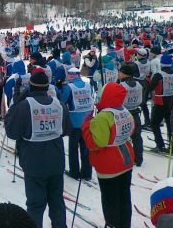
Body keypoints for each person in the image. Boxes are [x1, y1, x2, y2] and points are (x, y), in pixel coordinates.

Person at [5, 71, 71, 228]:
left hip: (34, 164)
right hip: (56, 161)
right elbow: (67, 129)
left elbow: (12, 132)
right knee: (57, 203)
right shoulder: (59, 104)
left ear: (30, 87)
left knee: (35, 205)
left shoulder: (24, 106)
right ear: (47, 87)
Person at [82, 82, 135, 228]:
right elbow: (132, 129)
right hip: (126, 159)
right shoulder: (124, 111)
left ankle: (112, 224)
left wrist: (86, 125)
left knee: (110, 199)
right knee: (124, 196)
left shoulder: (103, 117)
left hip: (109, 165)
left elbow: (94, 143)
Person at [61, 67, 93, 180]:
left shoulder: (70, 87)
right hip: (87, 120)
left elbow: (63, 100)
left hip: (75, 121)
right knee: (86, 148)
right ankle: (87, 173)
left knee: (73, 148)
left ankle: (74, 172)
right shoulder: (88, 85)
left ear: (70, 75)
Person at [146, 54, 173, 152]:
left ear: (161, 63)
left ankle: (160, 145)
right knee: (170, 125)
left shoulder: (158, 74)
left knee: (154, 123)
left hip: (160, 102)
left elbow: (150, 88)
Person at [118, 63, 144, 166]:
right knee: (137, 137)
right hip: (135, 112)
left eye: (120, 72)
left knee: (122, 137)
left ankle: (125, 159)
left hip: (124, 114)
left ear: (124, 74)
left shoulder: (121, 85)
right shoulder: (138, 84)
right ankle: (139, 158)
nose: (118, 73)